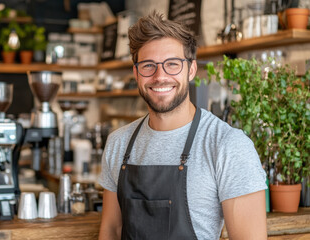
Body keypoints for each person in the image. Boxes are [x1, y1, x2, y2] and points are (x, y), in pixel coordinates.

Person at [97, 11, 268, 240]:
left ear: (192, 70)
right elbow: (111, 230)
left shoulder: (228, 145)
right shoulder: (119, 143)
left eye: (172, 64)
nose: (160, 76)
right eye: (148, 65)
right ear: (136, 73)